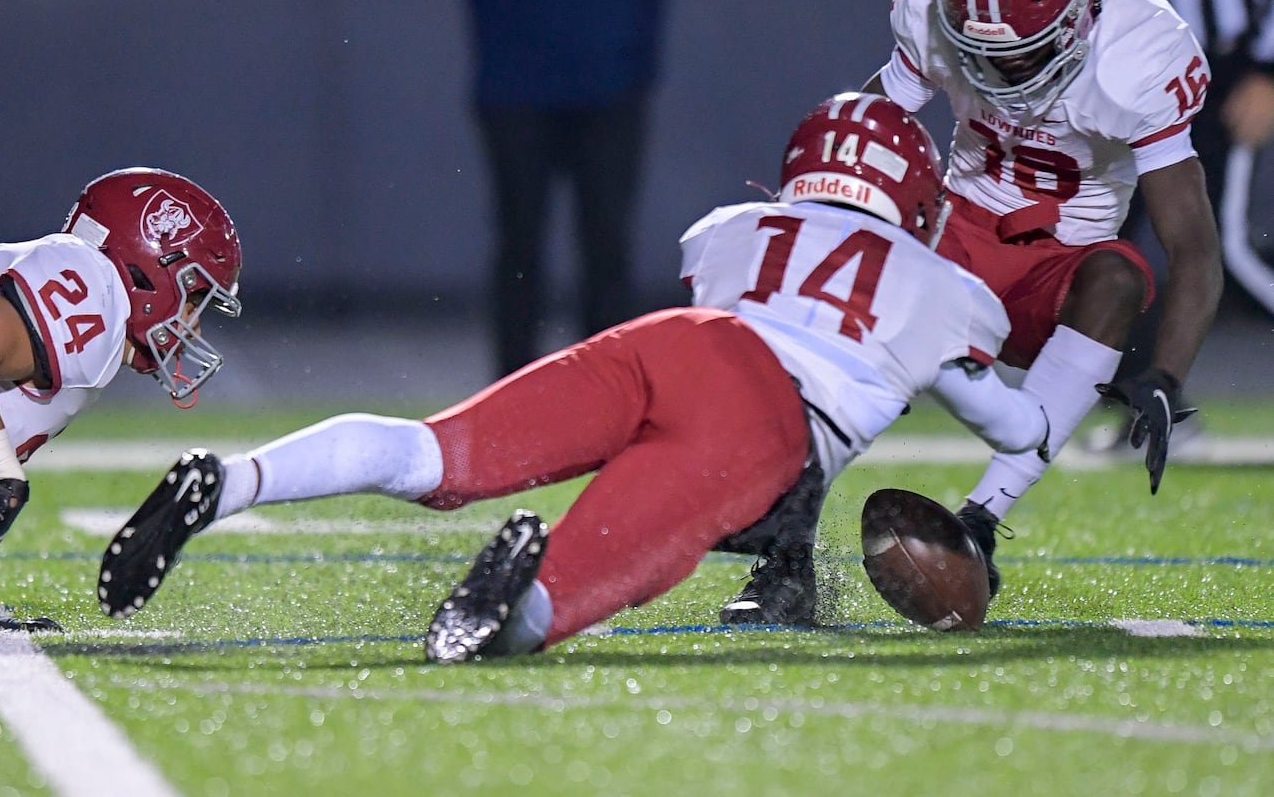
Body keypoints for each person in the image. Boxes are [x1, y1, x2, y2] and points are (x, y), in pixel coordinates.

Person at [97, 93, 1051, 658]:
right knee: (576, 591)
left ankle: (229, 481)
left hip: (679, 337)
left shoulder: (732, 232)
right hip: (762, 424)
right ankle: (509, 606)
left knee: (436, 454)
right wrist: (1027, 437)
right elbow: (1009, 428)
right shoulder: (939, 285)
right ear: (913, 196)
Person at [720, 0, 1223, 626]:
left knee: (1119, 275)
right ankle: (784, 553)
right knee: (839, 309)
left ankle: (979, 527)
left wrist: (1167, 372)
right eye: (981, 54)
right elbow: (880, 122)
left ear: (1082, 9)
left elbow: (1194, 247)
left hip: (1059, 266)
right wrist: (832, 217)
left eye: (1022, 54)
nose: (1000, 75)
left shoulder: (1140, 51)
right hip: (951, 228)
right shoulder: (932, 0)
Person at [0, 167, 242, 633]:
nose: (194, 325)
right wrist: (8, 480)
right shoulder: (95, 287)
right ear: (150, 268)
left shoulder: (93, 332)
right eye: (194, 296)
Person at [1048, 0, 1274, 453]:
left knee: (1220, 245)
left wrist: (1268, 68)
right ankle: (1155, 409)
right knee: (1101, 249)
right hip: (1104, 79)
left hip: (1208, 74)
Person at [420, 0, 674, 379]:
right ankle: (511, 393)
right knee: (519, 246)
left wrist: (640, 72)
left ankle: (611, 392)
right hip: (516, 89)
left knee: (609, 248)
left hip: (611, 89)